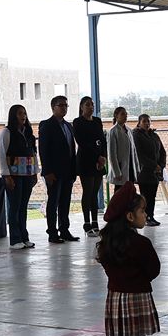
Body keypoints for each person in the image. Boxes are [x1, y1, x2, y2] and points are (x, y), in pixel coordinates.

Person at [98, 183, 160, 336]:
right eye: (142, 211)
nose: (146, 214)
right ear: (130, 216)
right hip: (138, 294)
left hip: (115, 295)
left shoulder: (105, 244)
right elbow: (154, 269)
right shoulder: (141, 243)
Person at [0, 103, 38, 250]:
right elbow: (2, 155)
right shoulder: (6, 132)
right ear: (13, 116)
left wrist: (35, 172)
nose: (23, 116)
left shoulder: (28, 132)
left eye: (24, 113)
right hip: (13, 175)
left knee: (23, 206)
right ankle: (15, 239)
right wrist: (6, 175)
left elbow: (33, 153)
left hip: (27, 173)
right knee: (14, 206)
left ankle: (24, 237)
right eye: (20, 113)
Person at [39, 94, 79, 244]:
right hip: (54, 172)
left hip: (68, 171)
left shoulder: (68, 126)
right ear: (53, 107)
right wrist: (47, 171)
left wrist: (74, 170)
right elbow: (43, 150)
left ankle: (64, 230)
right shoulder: (47, 125)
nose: (64, 108)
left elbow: (71, 149)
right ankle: (52, 232)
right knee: (53, 202)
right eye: (61, 105)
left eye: (66, 105)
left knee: (65, 202)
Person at [74, 96, 108, 236]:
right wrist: (96, 156)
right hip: (86, 160)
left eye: (92, 104)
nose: (91, 107)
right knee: (87, 192)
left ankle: (95, 222)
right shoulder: (78, 122)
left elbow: (102, 140)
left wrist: (103, 156)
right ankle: (86, 223)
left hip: (99, 161)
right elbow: (82, 142)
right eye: (87, 104)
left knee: (95, 192)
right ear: (81, 107)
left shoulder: (97, 121)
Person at [132, 114, 166, 226]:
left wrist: (160, 165)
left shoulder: (154, 135)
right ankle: (145, 217)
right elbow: (139, 155)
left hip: (155, 172)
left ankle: (151, 216)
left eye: (148, 121)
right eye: (144, 121)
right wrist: (153, 165)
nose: (147, 123)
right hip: (144, 172)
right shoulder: (136, 135)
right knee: (145, 196)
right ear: (139, 123)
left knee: (152, 196)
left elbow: (162, 152)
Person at [106, 105, 138, 192]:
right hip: (120, 168)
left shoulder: (129, 130)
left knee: (130, 192)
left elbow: (134, 151)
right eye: (123, 114)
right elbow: (112, 154)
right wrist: (117, 172)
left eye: (126, 114)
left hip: (130, 166)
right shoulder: (113, 131)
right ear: (116, 116)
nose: (125, 116)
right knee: (120, 193)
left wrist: (137, 168)